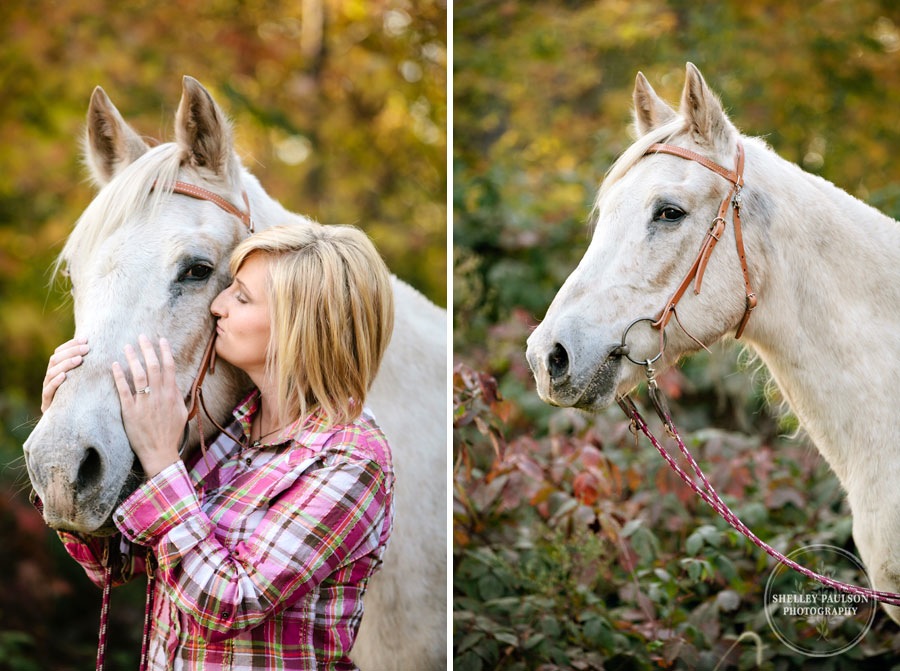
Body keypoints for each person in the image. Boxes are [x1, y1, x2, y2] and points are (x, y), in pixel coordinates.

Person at [41, 224, 395, 670]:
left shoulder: (350, 459)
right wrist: (65, 438)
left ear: (301, 325)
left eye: (241, 297)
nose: (217, 305)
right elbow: (117, 566)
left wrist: (162, 461)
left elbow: (229, 604)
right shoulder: (231, 430)